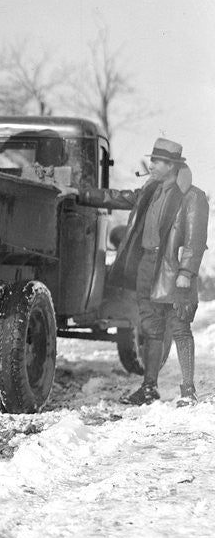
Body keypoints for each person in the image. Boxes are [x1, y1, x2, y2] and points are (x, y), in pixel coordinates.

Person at [75, 138, 209, 405]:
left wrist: (186, 272)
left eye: (157, 161)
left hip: (172, 268)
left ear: (171, 165)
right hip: (147, 266)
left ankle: (188, 391)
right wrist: (80, 194)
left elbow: (195, 240)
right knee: (151, 328)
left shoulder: (192, 196)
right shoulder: (151, 191)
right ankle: (149, 388)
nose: (152, 165)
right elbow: (120, 197)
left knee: (179, 327)